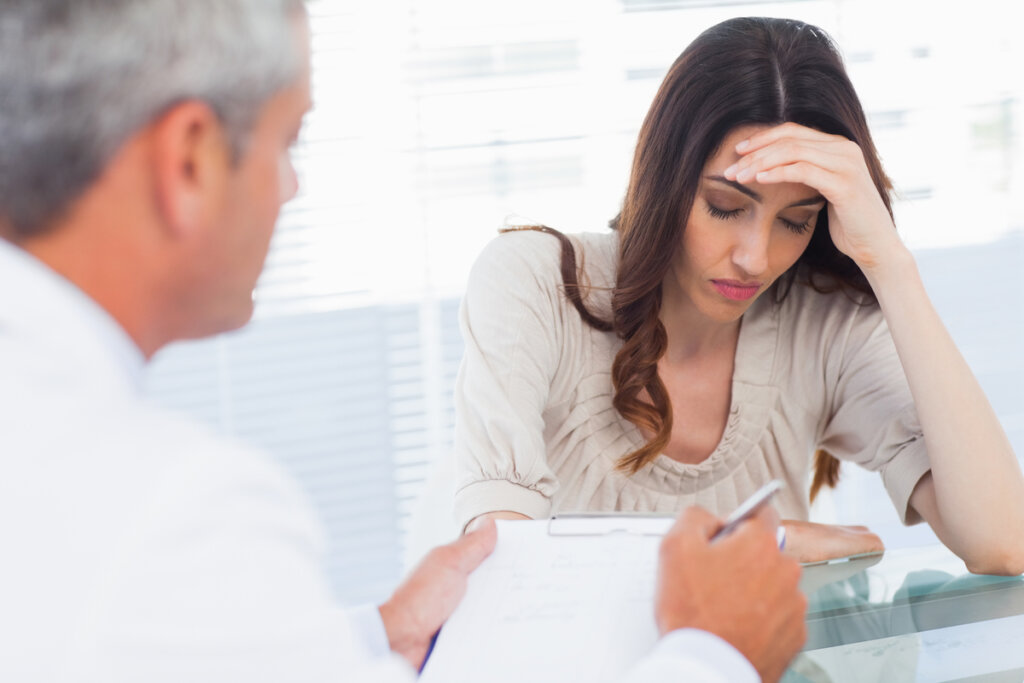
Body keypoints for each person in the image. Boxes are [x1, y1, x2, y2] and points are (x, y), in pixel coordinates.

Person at [0, 2, 806, 682]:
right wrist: (714, 652)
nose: (292, 187)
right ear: (188, 161)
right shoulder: (177, 514)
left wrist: (367, 641)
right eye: (290, 143)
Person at [454, 16, 1024, 571]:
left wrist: (890, 263)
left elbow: (1003, 542)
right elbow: (501, 559)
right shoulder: (536, 283)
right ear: (666, 180)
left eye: (796, 221)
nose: (756, 259)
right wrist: (753, 544)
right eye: (725, 207)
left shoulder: (822, 324)